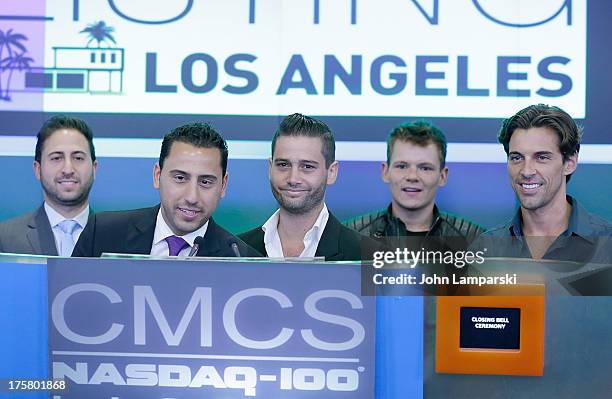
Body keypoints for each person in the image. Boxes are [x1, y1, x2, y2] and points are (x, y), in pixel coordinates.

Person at [73, 122, 259, 257]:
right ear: (157, 175)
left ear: (223, 185)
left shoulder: (241, 259)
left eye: (205, 182)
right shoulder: (103, 234)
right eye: (180, 178)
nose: (192, 197)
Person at [475, 104, 612, 263]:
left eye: (542, 157)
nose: (526, 171)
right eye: (517, 158)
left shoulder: (607, 244)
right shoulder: (485, 249)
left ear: (569, 163)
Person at [239, 113, 376, 261]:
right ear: (270, 168)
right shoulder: (237, 251)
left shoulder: (369, 256)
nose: (293, 179)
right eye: (283, 165)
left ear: (331, 172)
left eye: (307, 166)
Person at [344, 121, 484, 248]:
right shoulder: (351, 237)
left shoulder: (475, 240)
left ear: (443, 176)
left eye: (425, 168)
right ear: (385, 171)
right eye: (402, 166)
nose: (412, 176)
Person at [0, 115, 97, 256]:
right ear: (37, 169)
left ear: (94, 168)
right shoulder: (5, 239)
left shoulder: (117, 238)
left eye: (78, 158)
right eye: (56, 158)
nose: (68, 169)